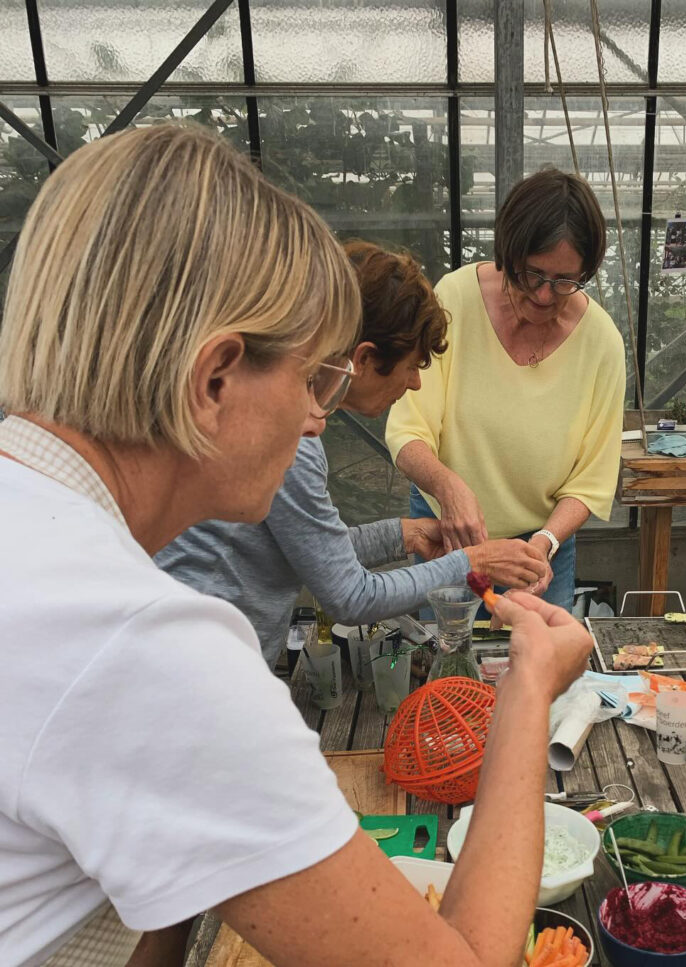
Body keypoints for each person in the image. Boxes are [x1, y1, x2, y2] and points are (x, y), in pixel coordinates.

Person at [0, 123, 593, 967]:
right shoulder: (150, 651)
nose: (317, 420)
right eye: (312, 379)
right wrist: (530, 686)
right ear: (214, 380)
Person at [156, 239, 546, 666]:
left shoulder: (282, 414)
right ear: (364, 358)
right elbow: (351, 596)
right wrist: (475, 561)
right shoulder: (290, 435)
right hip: (197, 662)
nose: (415, 383)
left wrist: (407, 534)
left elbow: (315, 547)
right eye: (411, 366)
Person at [386, 169, 627, 611]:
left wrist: (545, 541)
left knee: (539, 649)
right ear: (508, 251)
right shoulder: (455, 300)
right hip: (447, 532)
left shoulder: (601, 342)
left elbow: (592, 480)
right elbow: (408, 431)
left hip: (540, 542)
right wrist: (448, 488)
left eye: (565, 281)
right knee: (441, 648)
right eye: (532, 274)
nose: (544, 295)